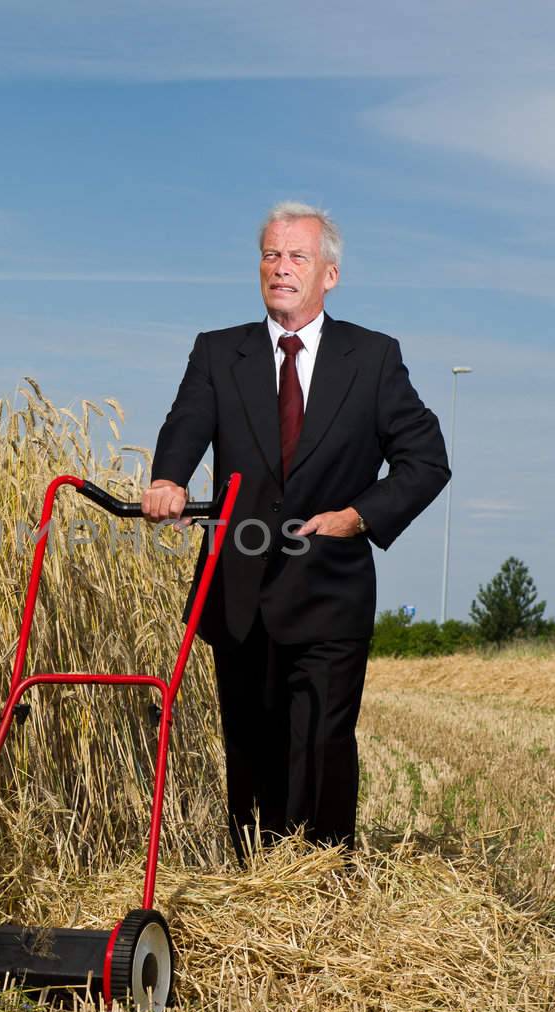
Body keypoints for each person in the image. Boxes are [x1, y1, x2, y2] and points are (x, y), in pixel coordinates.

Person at [142, 201, 449, 859]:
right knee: (250, 742)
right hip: (239, 587)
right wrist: (169, 477)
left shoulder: (372, 358)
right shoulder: (220, 352)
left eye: (297, 257)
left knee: (322, 738)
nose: (281, 269)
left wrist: (359, 515)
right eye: (271, 256)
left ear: (329, 274)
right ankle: (256, 875)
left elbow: (427, 460)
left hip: (329, 587)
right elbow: (187, 425)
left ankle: (321, 876)